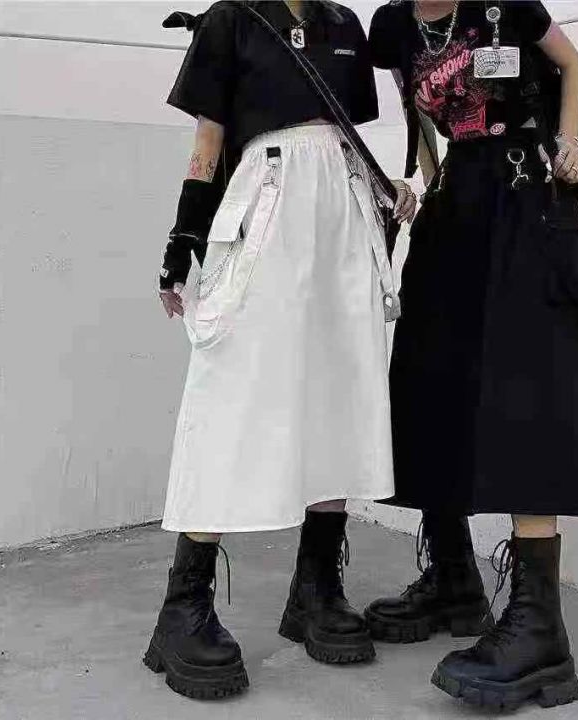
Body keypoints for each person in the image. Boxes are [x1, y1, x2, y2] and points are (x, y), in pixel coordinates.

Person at [366, 0, 578, 711]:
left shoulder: (505, 6)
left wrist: (571, 143)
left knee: (527, 386)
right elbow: (416, 107)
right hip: (455, 206)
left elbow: (571, 64)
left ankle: (540, 632)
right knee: (431, 383)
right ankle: (453, 578)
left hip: (524, 197)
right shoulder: (393, 26)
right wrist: (424, 177)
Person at [147, 0, 416, 700]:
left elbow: (342, 132)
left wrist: (392, 187)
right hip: (264, 210)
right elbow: (209, 141)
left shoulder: (345, 25)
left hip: (343, 219)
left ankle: (317, 589)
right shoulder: (232, 20)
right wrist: (183, 239)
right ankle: (183, 608)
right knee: (230, 396)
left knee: (340, 391)